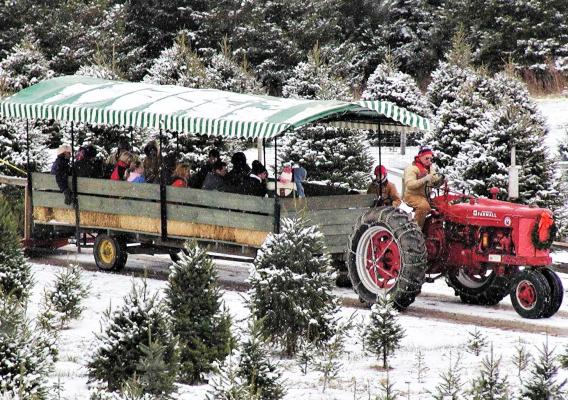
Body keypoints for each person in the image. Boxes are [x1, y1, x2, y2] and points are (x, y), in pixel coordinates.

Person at [403, 146, 444, 228]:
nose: (429, 161)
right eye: (426, 158)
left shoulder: (430, 169)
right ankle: (416, 230)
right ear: (420, 157)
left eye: (430, 159)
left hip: (427, 196)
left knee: (444, 206)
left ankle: (437, 229)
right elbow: (410, 184)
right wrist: (424, 179)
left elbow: (435, 182)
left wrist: (441, 180)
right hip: (412, 196)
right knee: (424, 207)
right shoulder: (412, 168)